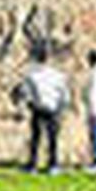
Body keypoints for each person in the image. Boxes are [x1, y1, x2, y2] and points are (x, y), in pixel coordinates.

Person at [24, 44, 70, 174]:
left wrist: (30, 105)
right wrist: (61, 109)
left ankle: (33, 165)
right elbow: (65, 95)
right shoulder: (57, 75)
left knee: (36, 139)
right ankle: (53, 165)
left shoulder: (31, 75)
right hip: (54, 109)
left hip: (38, 109)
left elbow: (26, 94)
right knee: (53, 139)